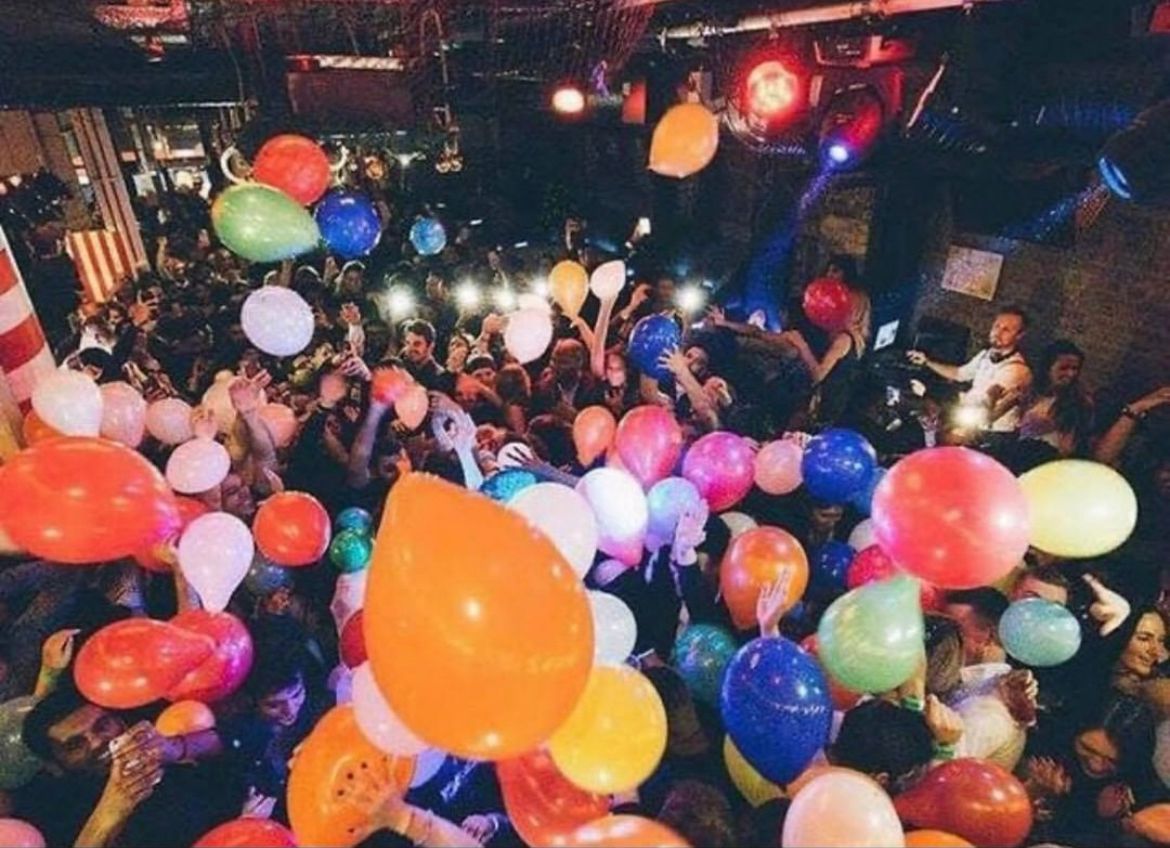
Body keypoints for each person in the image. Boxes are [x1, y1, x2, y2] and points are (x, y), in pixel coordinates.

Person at [19, 684, 232, 847]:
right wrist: (109, 813)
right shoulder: (52, 811)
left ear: (120, 721)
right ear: (54, 766)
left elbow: (236, 739)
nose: (97, 742)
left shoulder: (153, 741)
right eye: (75, 745)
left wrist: (177, 747)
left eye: (102, 725)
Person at [908, 306, 1034, 434]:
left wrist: (931, 395)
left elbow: (982, 407)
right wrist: (927, 361)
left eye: (1006, 330)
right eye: (997, 326)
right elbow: (959, 374)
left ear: (1019, 336)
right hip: (971, 420)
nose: (997, 333)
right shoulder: (986, 354)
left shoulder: (1015, 370)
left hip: (991, 432)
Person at [1018, 340, 1094, 456]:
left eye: (1075, 369)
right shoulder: (1032, 391)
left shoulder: (1078, 401)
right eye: (1063, 368)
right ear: (1047, 368)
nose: (1070, 374)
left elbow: (1068, 448)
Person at [400, 319, 455, 394]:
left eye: (417, 344)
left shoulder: (440, 378)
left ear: (430, 347)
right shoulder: (399, 367)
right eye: (408, 343)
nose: (410, 349)